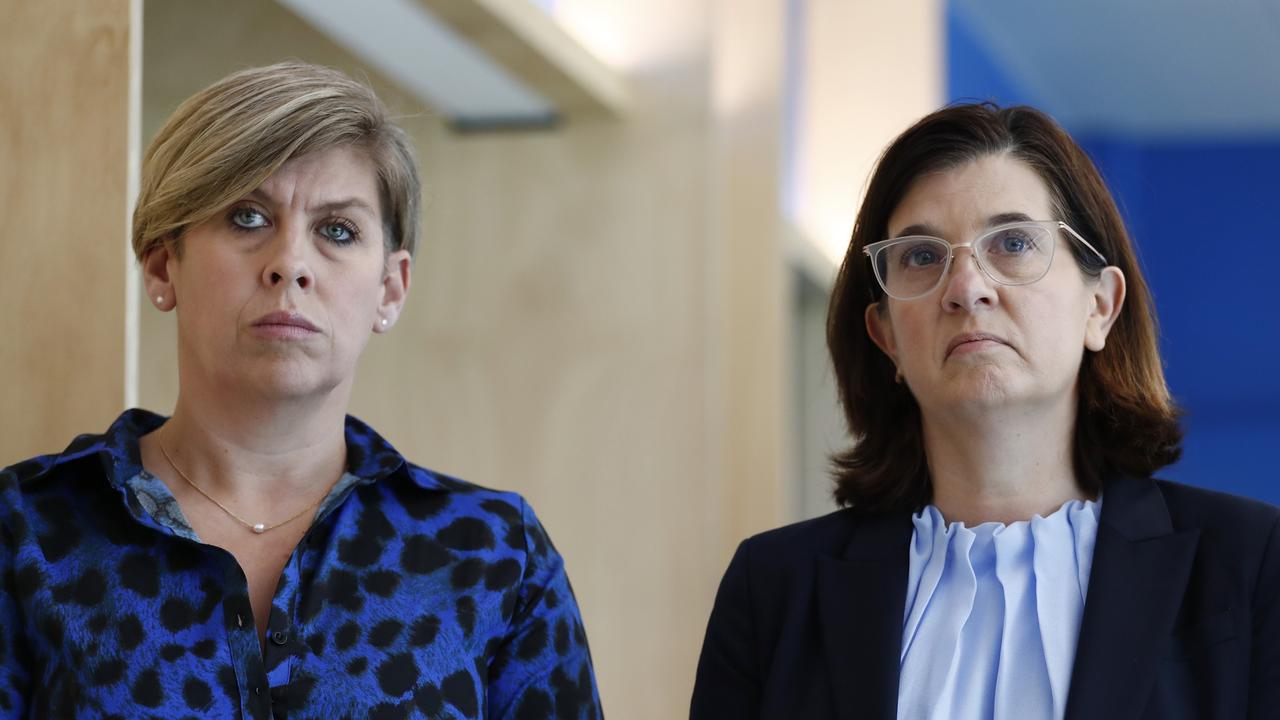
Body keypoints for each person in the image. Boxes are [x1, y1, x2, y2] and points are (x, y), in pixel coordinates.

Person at [0, 62, 601, 719]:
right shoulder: (25, 530)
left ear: (390, 288)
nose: (290, 262)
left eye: (337, 230)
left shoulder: (493, 555)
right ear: (161, 262)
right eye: (247, 217)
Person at [690, 103, 1279, 719]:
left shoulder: (1250, 565)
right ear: (886, 335)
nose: (967, 287)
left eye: (1014, 243)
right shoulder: (774, 589)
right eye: (921, 255)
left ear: (1100, 307)